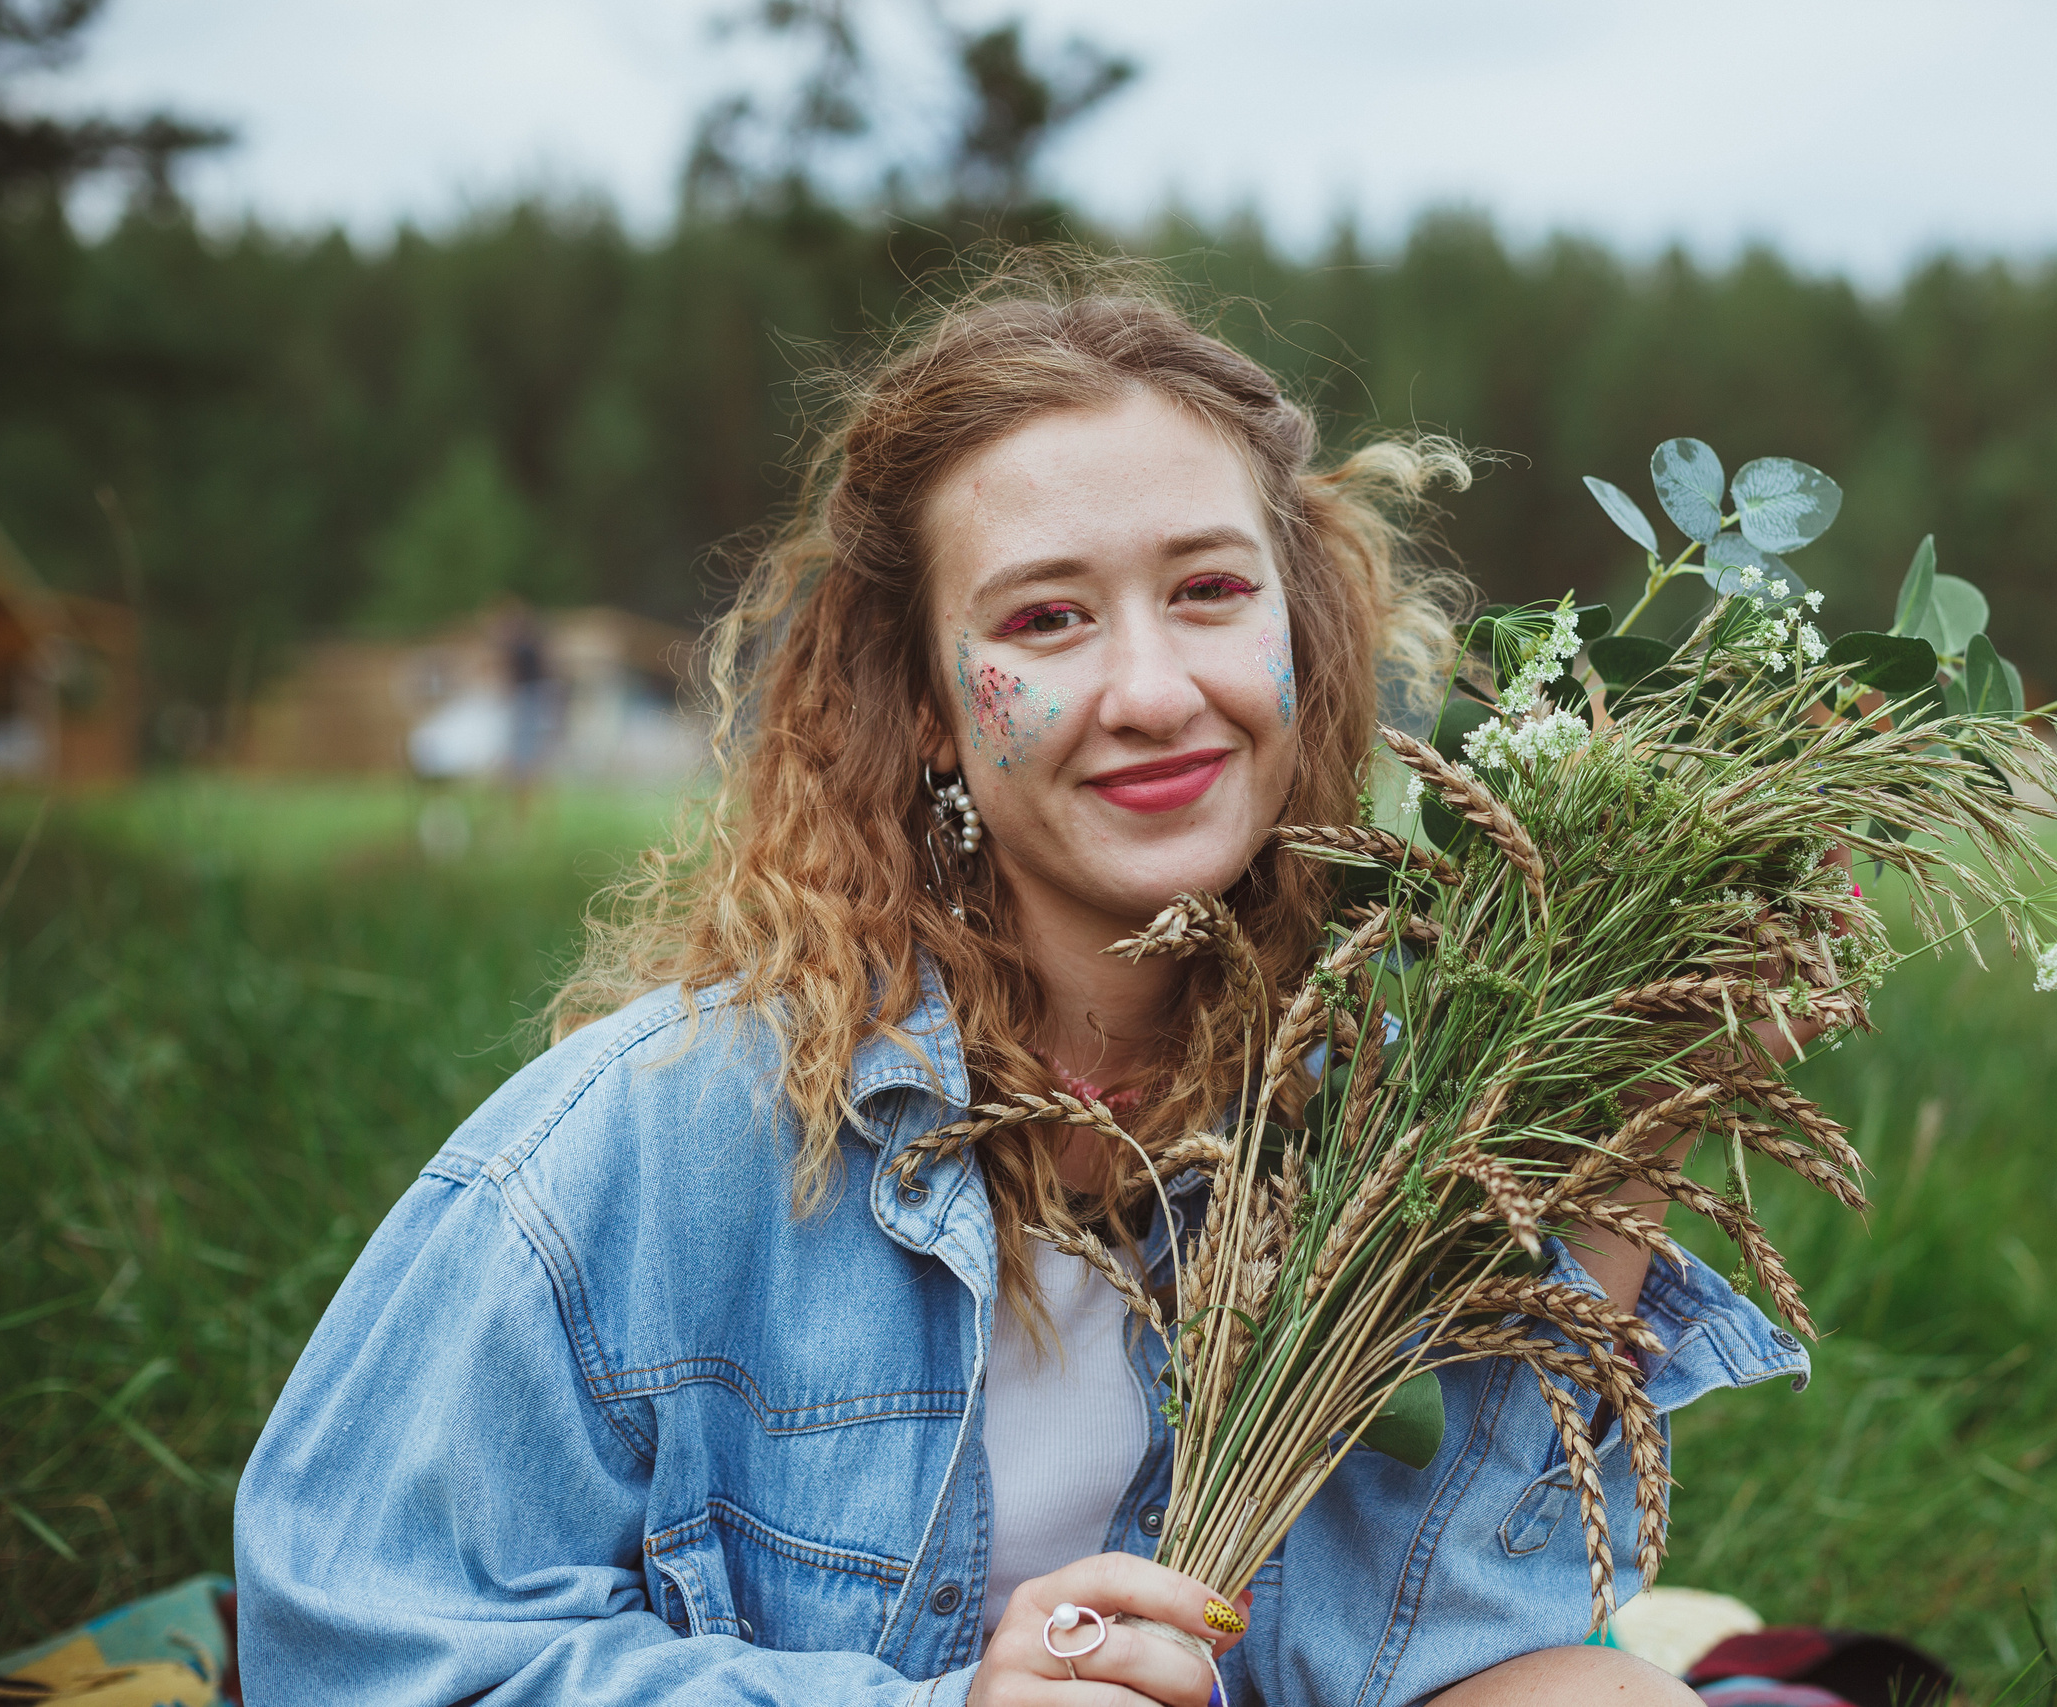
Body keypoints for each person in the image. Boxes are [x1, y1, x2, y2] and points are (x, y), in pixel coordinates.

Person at [232, 260, 1814, 1705]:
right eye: (1047, 621)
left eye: (1208, 592)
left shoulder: (1375, 1117)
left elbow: (1448, 1650)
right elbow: (347, 1643)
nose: (1153, 690)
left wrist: (1606, 1180)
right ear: (926, 705)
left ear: (1303, 635)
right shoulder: (664, 1135)